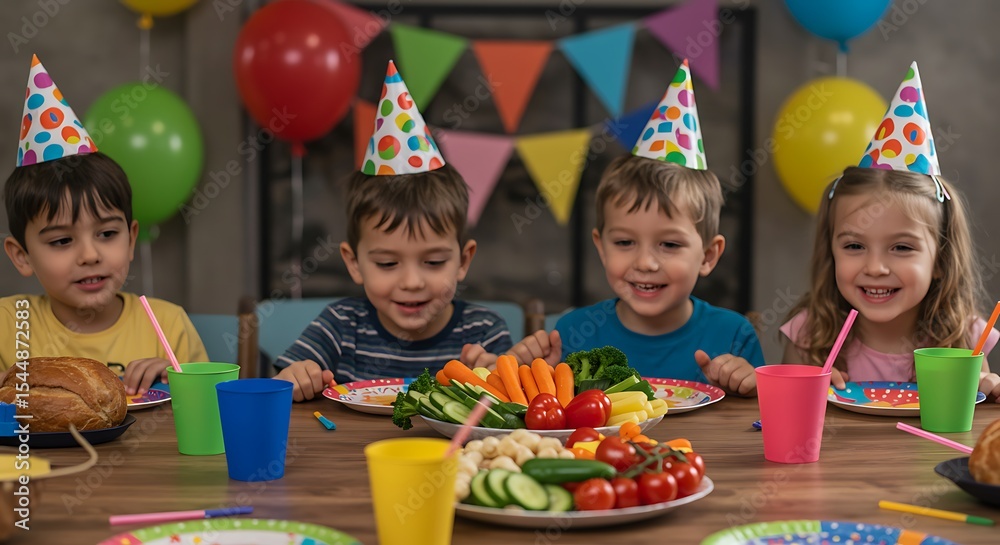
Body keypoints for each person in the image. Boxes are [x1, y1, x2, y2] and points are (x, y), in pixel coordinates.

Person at [504, 60, 764, 396]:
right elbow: (550, 416)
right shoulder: (572, 333)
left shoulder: (733, 336)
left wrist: (751, 386)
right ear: (601, 246)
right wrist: (533, 380)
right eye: (625, 242)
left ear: (708, 255)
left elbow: (758, 425)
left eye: (669, 245)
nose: (645, 262)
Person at [274, 61, 513, 402]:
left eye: (433, 263)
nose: (412, 282)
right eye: (388, 264)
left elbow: (510, 411)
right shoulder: (341, 325)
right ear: (354, 262)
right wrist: (294, 378)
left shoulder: (483, 332)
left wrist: (496, 379)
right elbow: (281, 387)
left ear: (463, 259)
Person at [781, 62, 1000, 401]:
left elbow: (964, 430)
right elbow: (783, 419)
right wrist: (803, 392)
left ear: (940, 258)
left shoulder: (966, 341)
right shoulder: (810, 335)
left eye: (901, 248)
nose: (875, 267)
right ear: (831, 250)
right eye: (854, 246)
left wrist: (987, 393)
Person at [0, 55, 207, 395]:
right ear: (21, 255)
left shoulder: (168, 324)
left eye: (108, 234)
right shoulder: (8, 324)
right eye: (62, 241)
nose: (90, 255)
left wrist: (180, 381)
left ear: (131, 239)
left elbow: (211, 418)